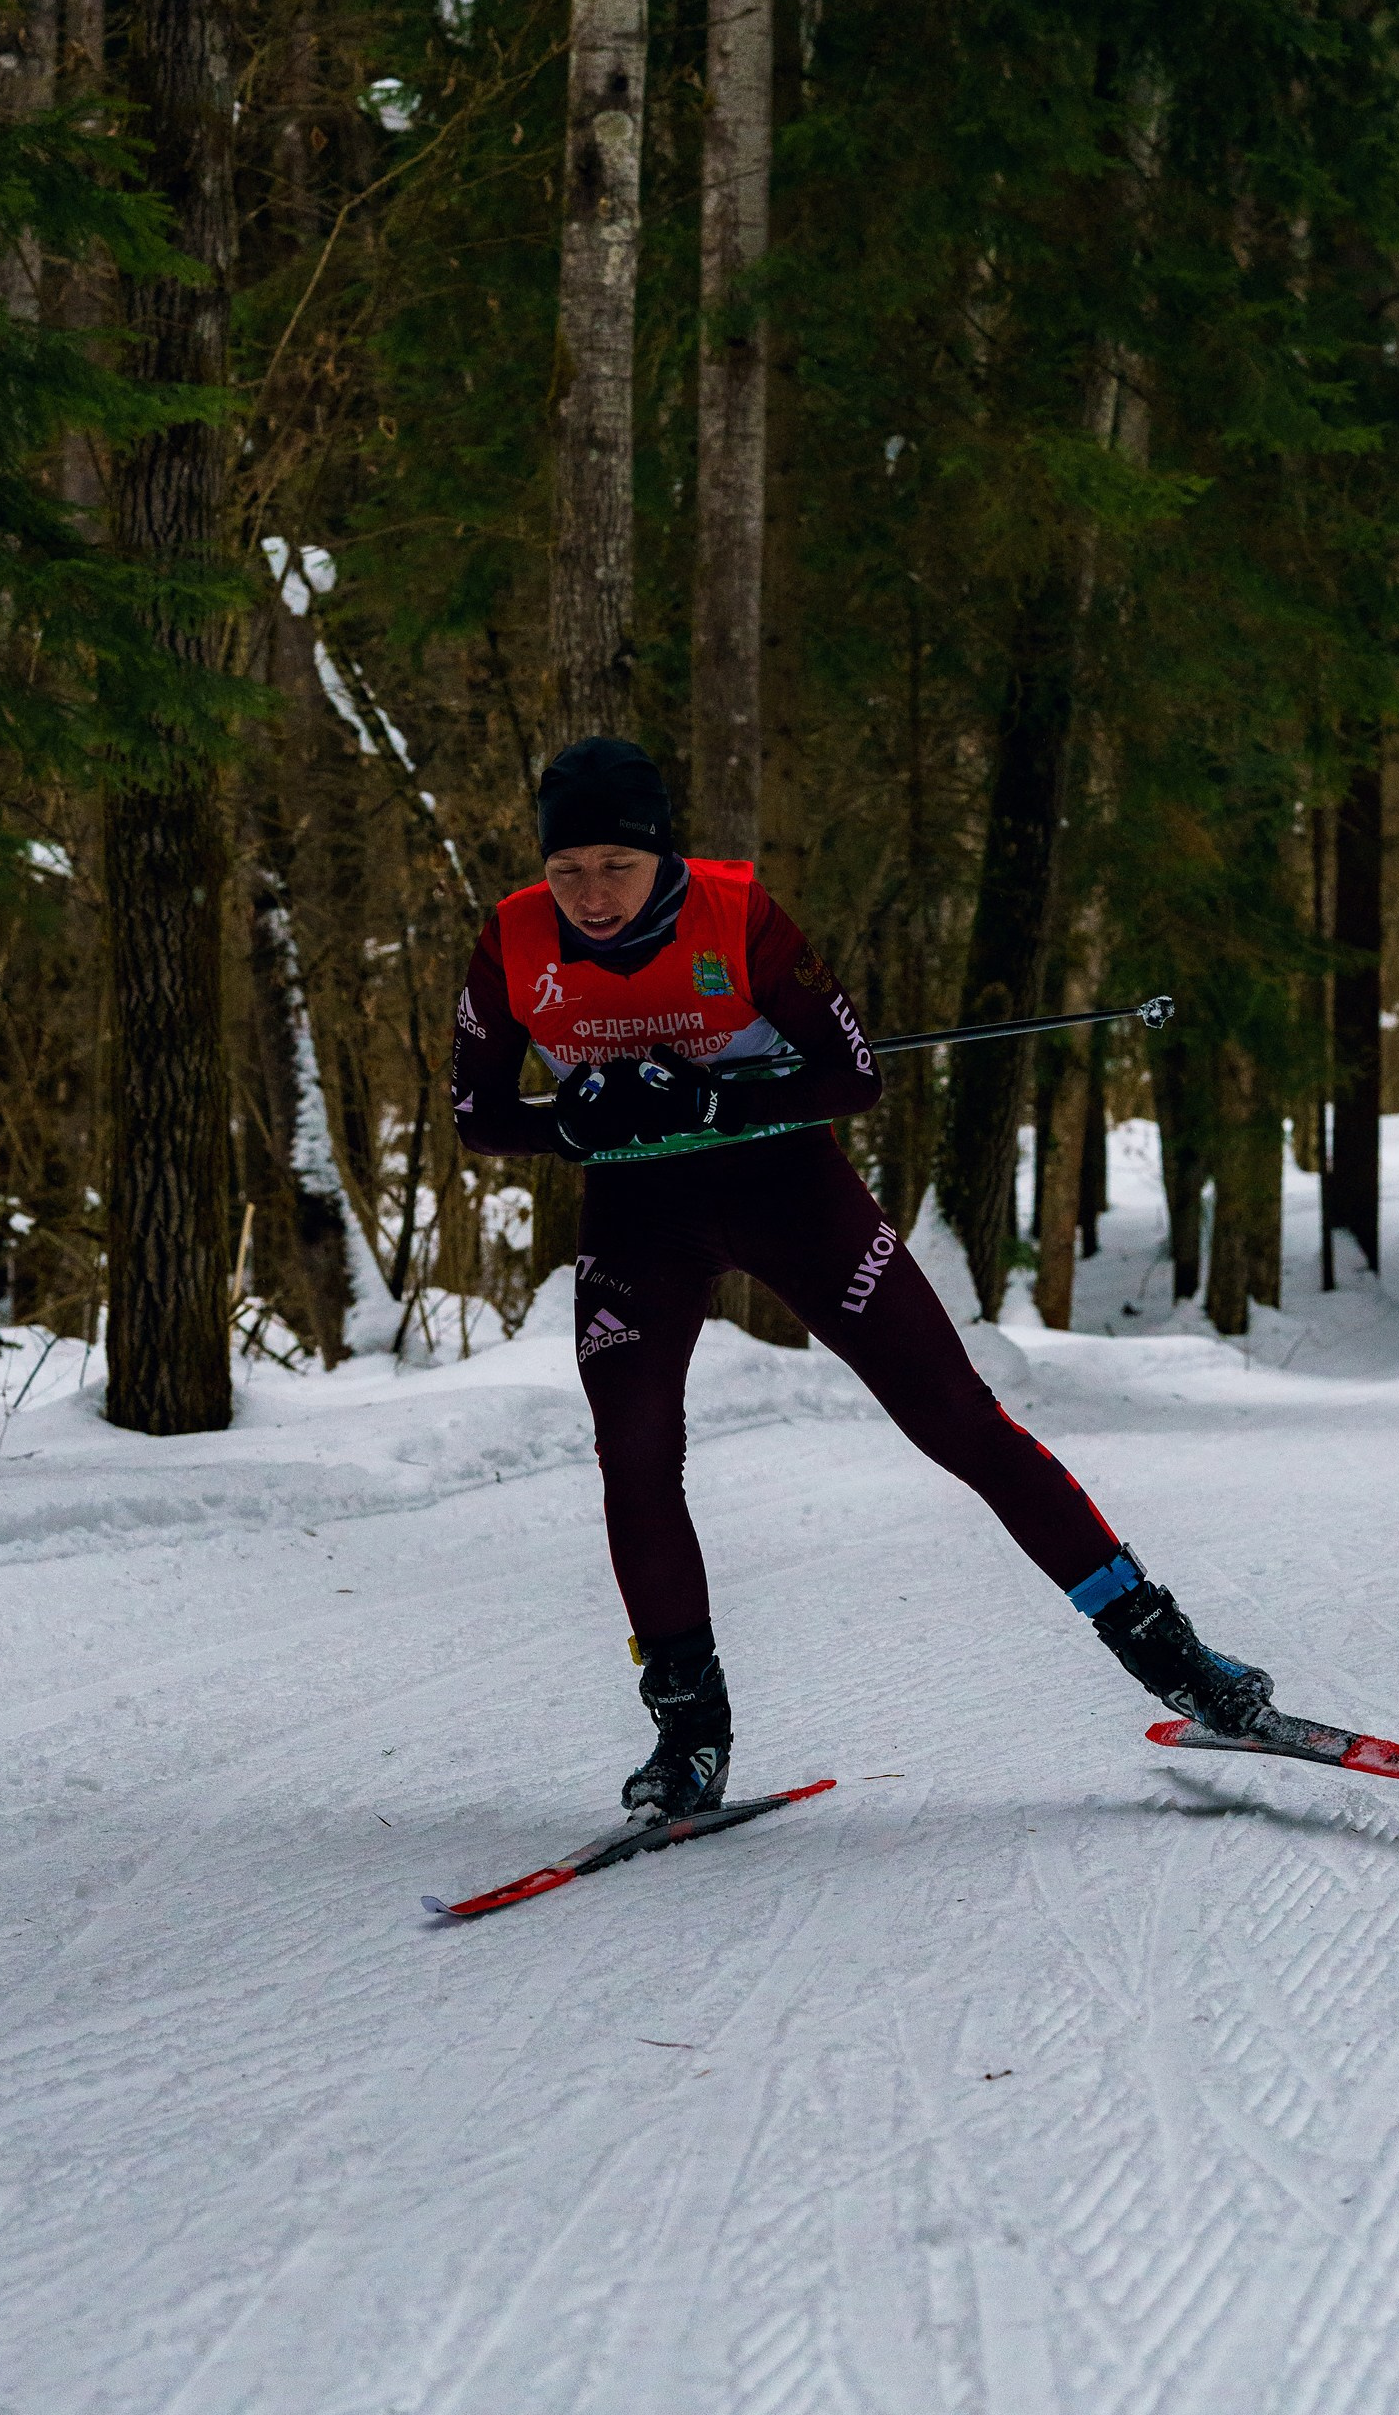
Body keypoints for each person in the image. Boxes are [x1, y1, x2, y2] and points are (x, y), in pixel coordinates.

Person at [451, 734, 1277, 1820]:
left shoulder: (736, 918)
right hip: (637, 1212)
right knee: (636, 1454)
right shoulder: (513, 937)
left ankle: (1174, 1659)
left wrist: (712, 1100)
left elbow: (852, 1078)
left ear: (662, 858)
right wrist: (577, 1119)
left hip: (788, 1191)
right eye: (567, 872)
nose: (591, 896)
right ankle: (688, 1738)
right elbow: (477, 1115)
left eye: (616, 867)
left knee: (956, 1421)